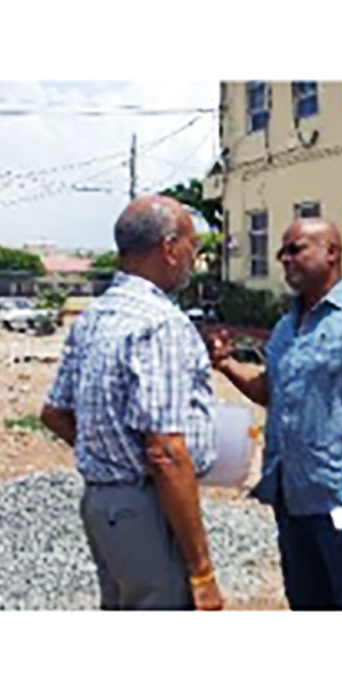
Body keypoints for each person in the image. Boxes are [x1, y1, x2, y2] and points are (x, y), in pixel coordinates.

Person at [208, 217, 342, 610]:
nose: (285, 259)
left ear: (333, 253)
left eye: (296, 249)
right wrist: (225, 364)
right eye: (282, 252)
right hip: (292, 498)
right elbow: (271, 391)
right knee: (307, 603)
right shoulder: (287, 328)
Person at [40, 195, 223, 610]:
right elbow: (165, 452)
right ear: (170, 247)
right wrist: (202, 571)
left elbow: (55, 413)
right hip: (147, 506)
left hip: (105, 505)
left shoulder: (95, 316)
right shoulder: (160, 323)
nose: (194, 258)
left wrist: (108, 452)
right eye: (192, 246)